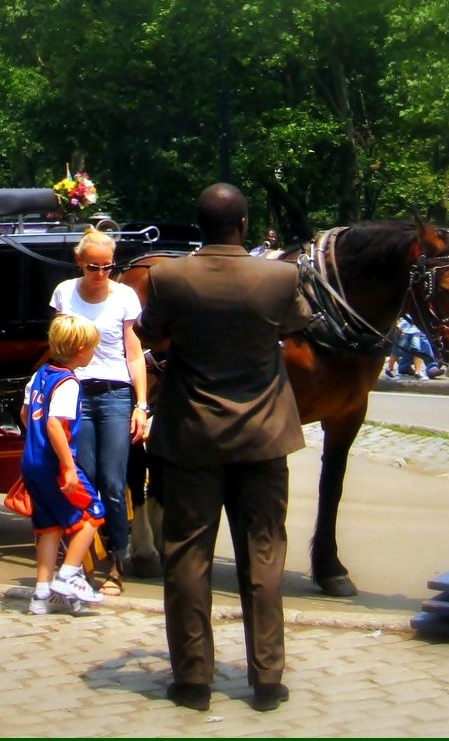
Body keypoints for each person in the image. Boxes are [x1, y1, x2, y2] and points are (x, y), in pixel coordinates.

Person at [134, 183, 312, 713]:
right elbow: (298, 323)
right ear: (244, 224)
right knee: (263, 555)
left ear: (200, 224)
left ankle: (192, 680)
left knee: (187, 554)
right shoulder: (280, 276)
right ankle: (267, 677)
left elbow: (150, 332)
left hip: (192, 434)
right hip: (262, 435)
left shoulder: (169, 276)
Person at [50, 228, 149, 596]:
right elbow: (58, 347)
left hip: (114, 394)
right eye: (93, 267)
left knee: (112, 479)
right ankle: (80, 560)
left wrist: (141, 405)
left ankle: (117, 563)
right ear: (80, 263)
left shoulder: (124, 297)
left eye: (108, 266)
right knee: (84, 476)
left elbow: (134, 353)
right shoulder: (64, 293)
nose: (101, 273)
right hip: (75, 393)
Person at [19, 313, 107, 614]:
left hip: (31, 463)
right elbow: (56, 424)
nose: (94, 351)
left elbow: (24, 413)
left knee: (49, 526)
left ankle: (41, 595)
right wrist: (69, 465)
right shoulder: (68, 383)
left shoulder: (41, 374)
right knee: (92, 513)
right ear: (80, 349)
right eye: (92, 347)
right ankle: (69, 575)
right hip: (56, 465)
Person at [388, 315, 443, 379]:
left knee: (418, 345)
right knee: (400, 348)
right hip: (405, 325)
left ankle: (427, 368)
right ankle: (400, 366)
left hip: (417, 325)